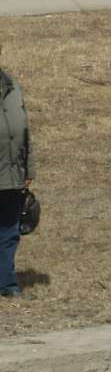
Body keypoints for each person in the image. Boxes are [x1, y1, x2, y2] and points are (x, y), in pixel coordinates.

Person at [0, 60, 31, 298]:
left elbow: (25, 131)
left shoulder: (12, 86)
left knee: (9, 232)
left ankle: (7, 284)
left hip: (11, 175)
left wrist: (29, 168)